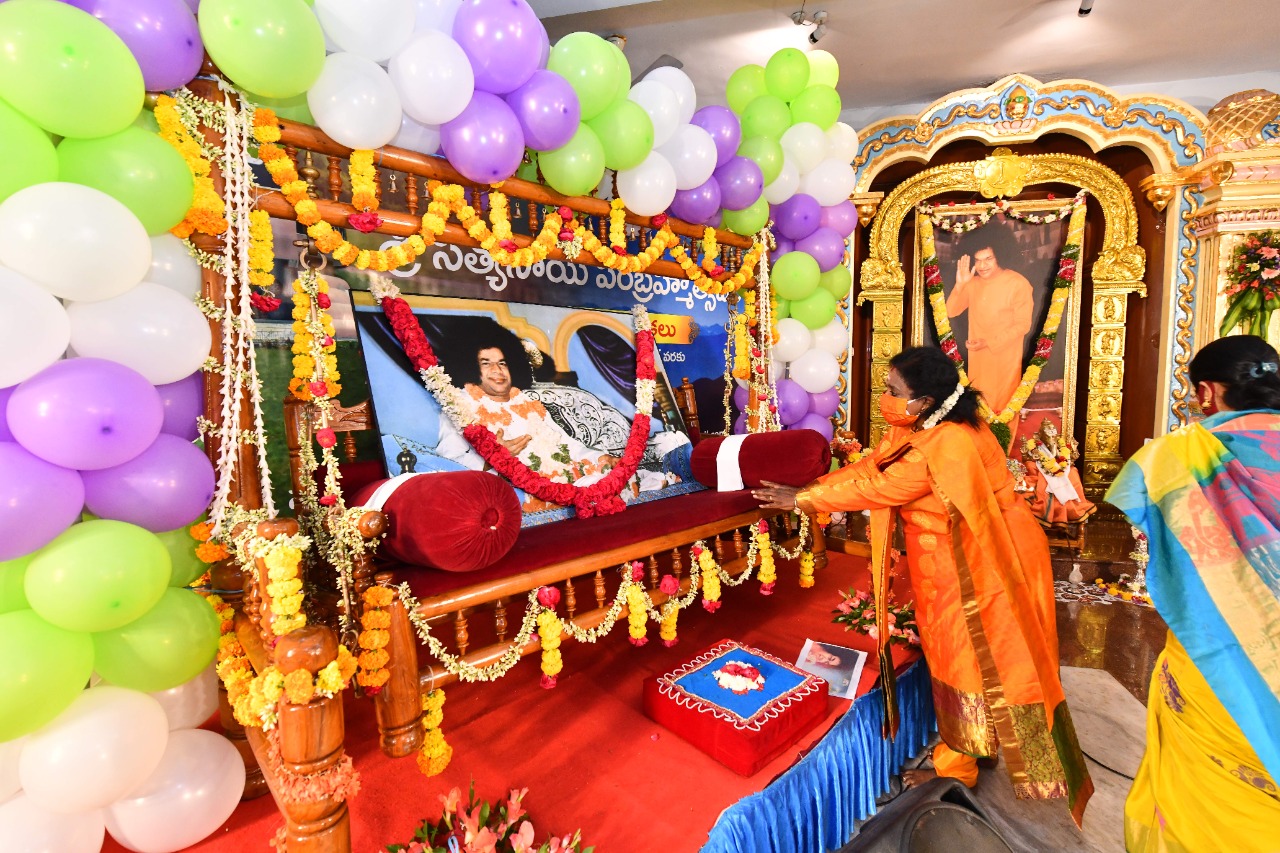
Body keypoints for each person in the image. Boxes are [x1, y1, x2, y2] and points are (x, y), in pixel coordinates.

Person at [753, 347, 1092, 824]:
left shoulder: (949, 442)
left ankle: (957, 768)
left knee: (972, 658)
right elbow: (875, 467)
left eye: (894, 392)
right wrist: (814, 487)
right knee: (985, 656)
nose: (886, 400)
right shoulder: (924, 425)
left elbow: (881, 488)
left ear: (926, 399)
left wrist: (806, 498)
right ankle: (983, 743)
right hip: (965, 554)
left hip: (984, 559)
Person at [1106, 334, 1280, 852]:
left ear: (1207, 392)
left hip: (1220, 647)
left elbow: (1141, 518)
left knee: (1211, 787)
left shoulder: (1183, 455)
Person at [946, 236, 1034, 416]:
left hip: (1006, 360)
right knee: (979, 411)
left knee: (1003, 413)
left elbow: (1023, 325)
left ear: (1000, 256)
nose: (982, 266)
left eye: (988, 259)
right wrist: (960, 285)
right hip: (978, 360)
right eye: (977, 260)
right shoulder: (972, 283)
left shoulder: (1018, 283)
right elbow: (951, 311)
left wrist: (988, 342)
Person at [1020, 417, 1097, 527]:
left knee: (1073, 473)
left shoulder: (1059, 443)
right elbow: (1031, 459)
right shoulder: (1035, 445)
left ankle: (1070, 508)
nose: (1051, 435)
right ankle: (1050, 509)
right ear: (1041, 434)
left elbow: (1065, 458)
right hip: (1043, 468)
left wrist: (1055, 448)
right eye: (1048, 432)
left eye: (1053, 432)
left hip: (1058, 467)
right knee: (1033, 471)